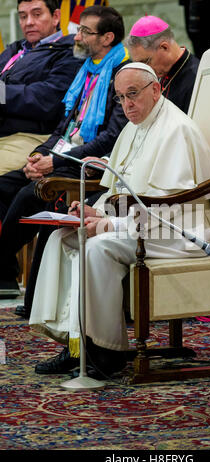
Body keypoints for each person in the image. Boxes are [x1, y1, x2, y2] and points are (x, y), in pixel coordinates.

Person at [29, 63, 210, 378]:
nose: (127, 105)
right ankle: (77, 343)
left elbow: (168, 208)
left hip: (181, 231)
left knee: (98, 248)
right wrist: (96, 213)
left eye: (133, 94)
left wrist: (109, 225)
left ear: (155, 89)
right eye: (120, 97)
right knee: (63, 237)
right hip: (144, 226)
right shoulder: (135, 125)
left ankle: (108, 351)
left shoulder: (176, 130)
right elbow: (120, 190)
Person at [0, 5, 129, 299]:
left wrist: (54, 160)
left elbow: (110, 137)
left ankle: (5, 272)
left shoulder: (119, 73)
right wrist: (39, 154)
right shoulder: (87, 69)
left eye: (85, 31)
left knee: (30, 193)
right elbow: (64, 126)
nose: (77, 36)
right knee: (5, 185)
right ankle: (5, 273)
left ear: (107, 37)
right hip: (64, 153)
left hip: (90, 162)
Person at [0, 0, 82, 174]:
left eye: (37, 14)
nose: (28, 22)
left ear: (56, 17)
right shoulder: (14, 51)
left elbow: (47, 99)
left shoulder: (69, 52)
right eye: (23, 16)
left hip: (31, 136)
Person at [125, 15, 200, 113]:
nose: (144, 70)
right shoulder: (160, 72)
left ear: (164, 47)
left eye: (146, 61)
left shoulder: (196, 80)